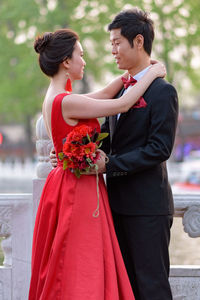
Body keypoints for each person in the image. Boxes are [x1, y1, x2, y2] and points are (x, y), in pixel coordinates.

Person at [29, 28, 165, 299]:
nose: (84, 61)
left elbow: (105, 94)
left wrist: (131, 74)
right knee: (80, 260)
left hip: (66, 182)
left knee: (70, 258)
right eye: (81, 55)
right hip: (76, 189)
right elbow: (123, 104)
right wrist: (154, 71)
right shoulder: (66, 101)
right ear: (66, 62)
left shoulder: (58, 97)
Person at [95, 8, 178, 300]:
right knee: (124, 288)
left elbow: (160, 149)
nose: (113, 50)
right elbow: (108, 138)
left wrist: (108, 165)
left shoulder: (162, 92)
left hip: (147, 208)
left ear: (139, 41)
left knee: (151, 287)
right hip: (116, 206)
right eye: (112, 44)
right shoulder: (120, 92)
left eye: (117, 42)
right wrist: (80, 151)